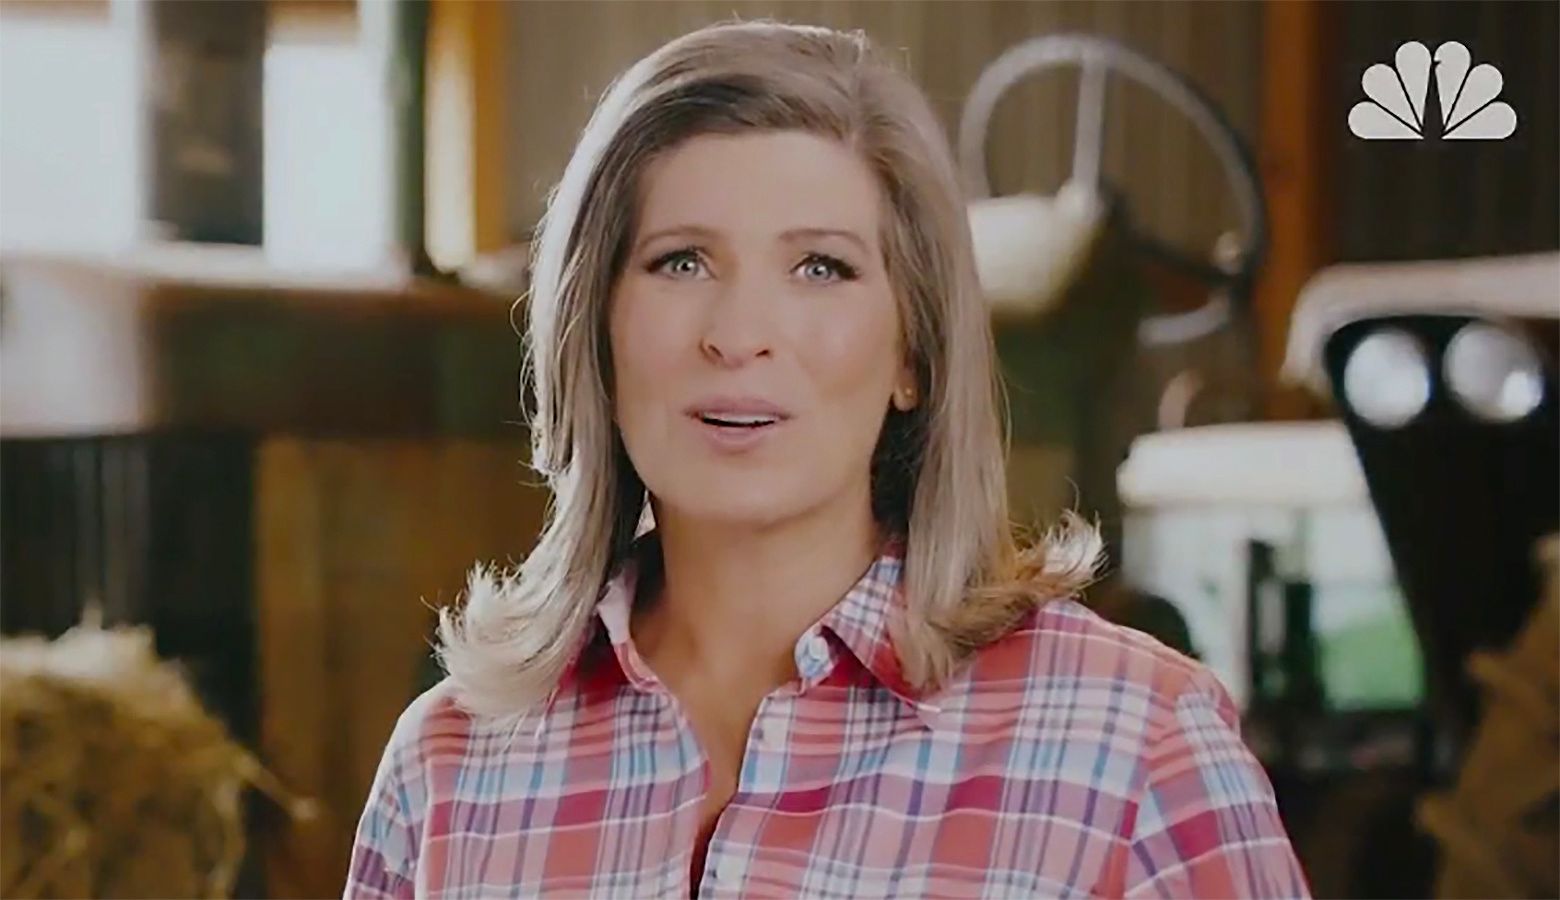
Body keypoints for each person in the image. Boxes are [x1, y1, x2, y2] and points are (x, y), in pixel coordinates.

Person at [346, 20, 1308, 899]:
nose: (739, 335)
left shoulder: (1139, 751)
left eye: (820, 268)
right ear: (594, 331)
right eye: (681, 261)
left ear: (913, 354)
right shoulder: (449, 766)